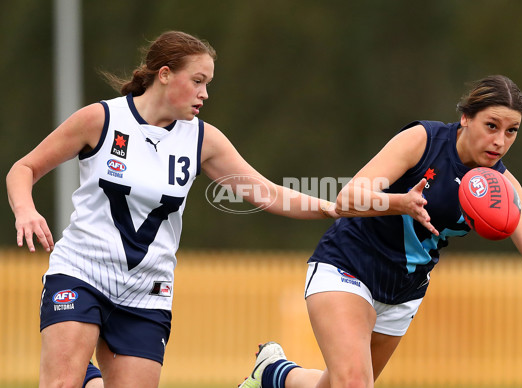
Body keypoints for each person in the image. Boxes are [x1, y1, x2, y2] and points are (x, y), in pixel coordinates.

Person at [6, 30, 337, 388]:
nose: (204, 93)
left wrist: (336, 209)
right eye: (197, 81)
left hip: (147, 291)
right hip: (82, 272)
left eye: (207, 83)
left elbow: (267, 193)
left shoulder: (202, 139)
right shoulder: (101, 120)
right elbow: (24, 168)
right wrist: (25, 210)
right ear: (164, 74)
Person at [238, 75, 522, 388]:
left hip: (403, 293)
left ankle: (274, 373)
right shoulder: (423, 140)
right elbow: (348, 198)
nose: (500, 140)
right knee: (354, 384)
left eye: (511, 131)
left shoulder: (502, 185)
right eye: (491, 125)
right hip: (348, 266)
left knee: (338, 384)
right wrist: (400, 203)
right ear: (466, 117)